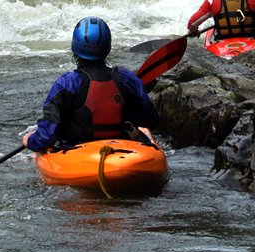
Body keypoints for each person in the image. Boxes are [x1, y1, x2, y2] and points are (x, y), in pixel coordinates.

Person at [25, 16, 160, 152]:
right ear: (107, 46)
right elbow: (152, 120)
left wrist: (30, 140)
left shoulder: (67, 83)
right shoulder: (127, 79)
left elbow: (46, 137)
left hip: (79, 152)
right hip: (124, 148)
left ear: (75, 46)